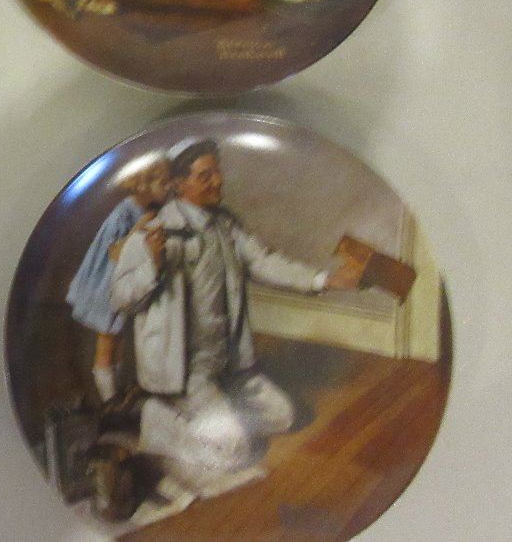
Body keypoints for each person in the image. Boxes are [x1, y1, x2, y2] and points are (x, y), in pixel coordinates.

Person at [109, 139, 358, 486]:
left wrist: (324, 279)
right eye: (205, 176)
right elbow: (121, 298)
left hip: (228, 363)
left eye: (217, 172)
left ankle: (216, 413)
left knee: (284, 417)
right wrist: (151, 266)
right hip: (187, 370)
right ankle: (158, 417)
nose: (217, 181)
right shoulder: (155, 232)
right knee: (236, 452)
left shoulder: (226, 224)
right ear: (178, 184)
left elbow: (264, 261)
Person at [65, 157, 172, 403]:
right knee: (107, 343)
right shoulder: (123, 213)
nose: (168, 188)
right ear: (144, 184)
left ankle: (117, 394)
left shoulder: (147, 210)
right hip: (107, 287)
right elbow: (114, 252)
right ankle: (109, 401)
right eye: (163, 183)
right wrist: (139, 230)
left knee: (120, 341)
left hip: (125, 284)